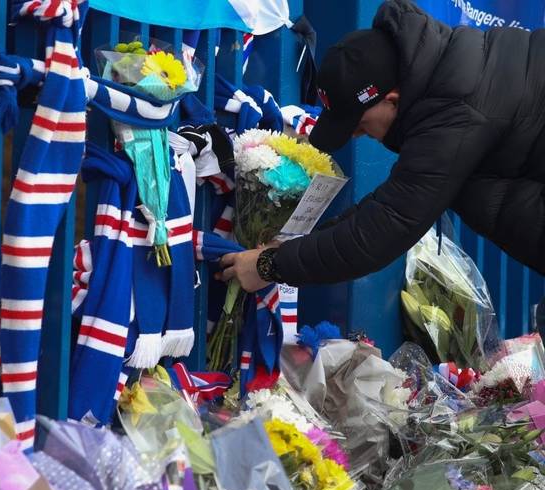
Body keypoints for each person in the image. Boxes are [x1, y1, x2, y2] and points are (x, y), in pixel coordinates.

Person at [219, 0, 545, 316]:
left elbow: (385, 228)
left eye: (360, 124)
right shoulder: (450, 76)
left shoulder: (454, 107)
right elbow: (390, 206)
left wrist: (270, 265)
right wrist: (287, 249)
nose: (359, 135)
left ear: (392, 99)